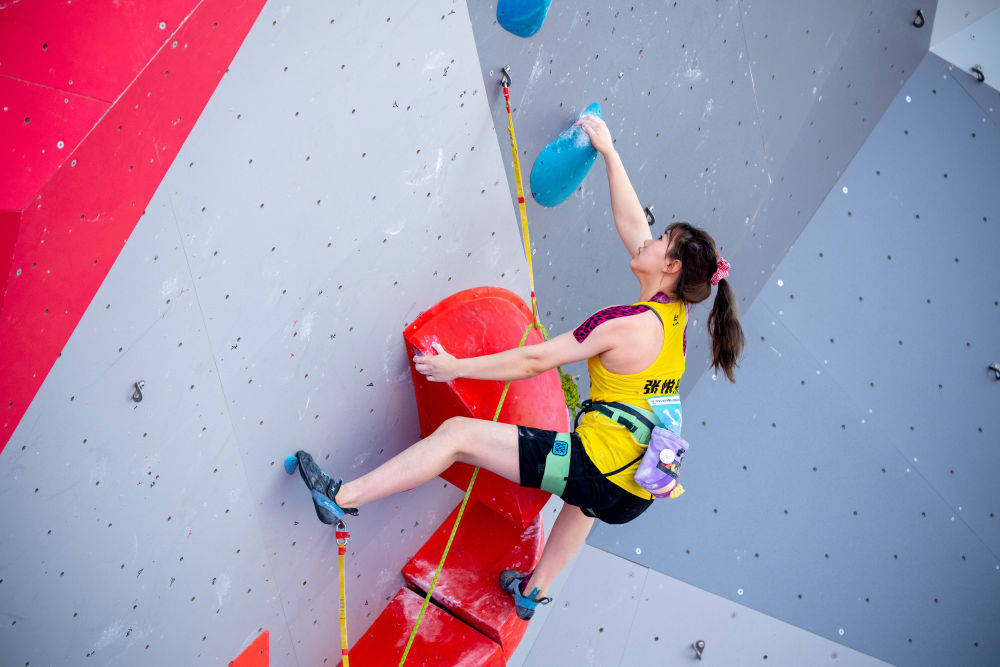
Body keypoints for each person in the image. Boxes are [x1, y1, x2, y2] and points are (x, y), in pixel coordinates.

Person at [292, 115, 745, 622]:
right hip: (637, 487)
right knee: (588, 500)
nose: (649, 237)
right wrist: (608, 152)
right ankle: (532, 591)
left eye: (662, 240)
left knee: (459, 434)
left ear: (671, 267)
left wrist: (456, 366)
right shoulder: (676, 318)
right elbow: (632, 225)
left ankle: (342, 497)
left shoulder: (626, 324)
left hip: (596, 467)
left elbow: (535, 359)